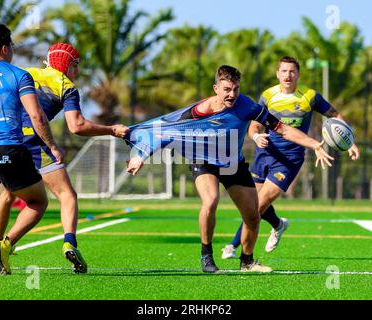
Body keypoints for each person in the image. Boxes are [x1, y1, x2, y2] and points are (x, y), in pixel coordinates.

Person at [125, 65, 334, 273]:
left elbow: (283, 129)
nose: (232, 94)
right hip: (203, 160)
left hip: (232, 163)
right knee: (211, 200)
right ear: (216, 88)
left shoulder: (248, 106)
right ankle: (207, 257)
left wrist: (314, 143)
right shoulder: (200, 111)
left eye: (235, 89)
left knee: (252, 215)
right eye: (226, 89)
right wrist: (141, 156)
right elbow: (166, 130)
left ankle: (247, 262)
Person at [0, 42, 129, 273]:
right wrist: (111, 130)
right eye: (75, 66)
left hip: (12, 140)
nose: (76, 72)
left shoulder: (26, 73)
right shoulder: (66, 86)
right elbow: (76, 126)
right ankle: (68, 241)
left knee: (7, 193)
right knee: (66, 195)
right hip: (38, 145)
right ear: (67, 64)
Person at [221, 56, 359, 260]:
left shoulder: (310, 97)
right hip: (264, 153)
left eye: (292, 71)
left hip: (290, 158)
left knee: (258, 205)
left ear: (298, 74)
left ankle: (232, 247)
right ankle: (278, 224)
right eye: (284, 71)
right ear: (277, 74)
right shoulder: (268, 96)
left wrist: (350, 142)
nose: (288, 75)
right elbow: (255, 125)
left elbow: (335, 116)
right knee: (252, 204)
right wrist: (257, 136)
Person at [0, 24, 64, 275]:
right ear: (5, 48)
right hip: (9, 149)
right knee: (37, 201)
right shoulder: (19, 75)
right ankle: (5, 245)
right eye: (12, 46)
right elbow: (37, 116)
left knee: (5, 196)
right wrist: (53, 146)